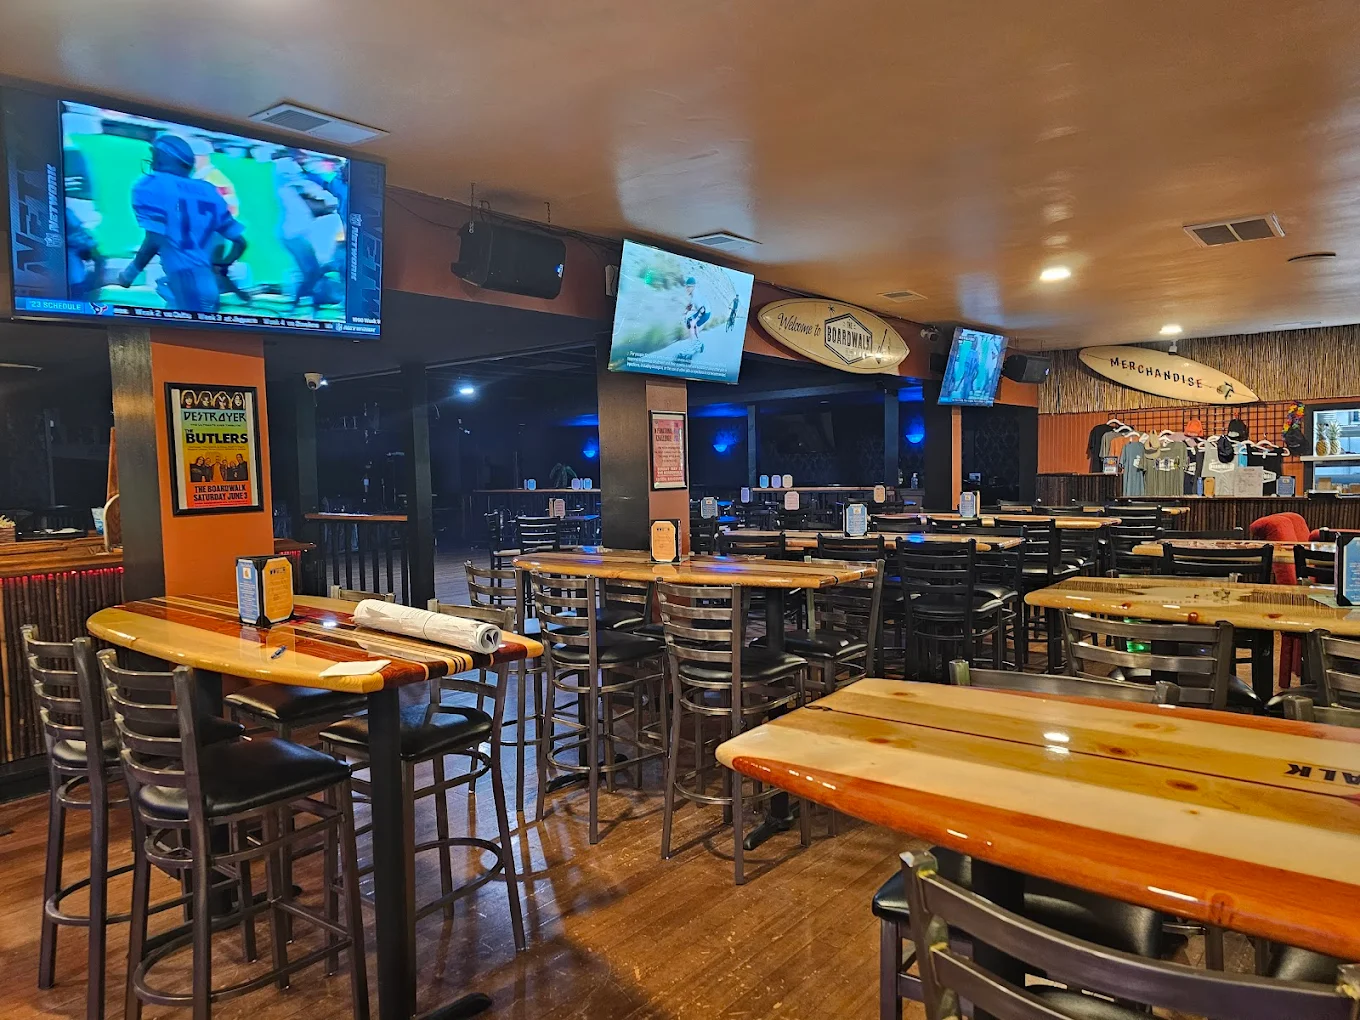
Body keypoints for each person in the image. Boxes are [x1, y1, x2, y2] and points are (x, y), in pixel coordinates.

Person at [117, 134, 247, 313]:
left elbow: (155, 239)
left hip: (183, 279)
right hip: (208, 281)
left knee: (185, 329)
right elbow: (240, 242)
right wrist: (222, 264)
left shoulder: (152, 185)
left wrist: (129, 274)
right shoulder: (208, 190)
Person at [273, 150, 339, 313]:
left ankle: (306, 306)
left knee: (313, 272)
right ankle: (297, 307)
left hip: (298, 232)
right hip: (294, 234)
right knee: (312, 272)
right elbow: (317, 201)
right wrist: (330, 202)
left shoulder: (297, 179)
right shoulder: (288, 174)